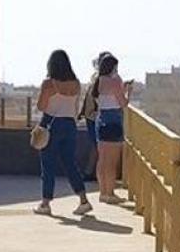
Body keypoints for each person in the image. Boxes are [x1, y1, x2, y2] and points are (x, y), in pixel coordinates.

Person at [35, 49, 93, 216]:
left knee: (48, 164)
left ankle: (45, 203)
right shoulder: (75, 83)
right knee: (70, 163)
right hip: (69, 124)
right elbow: (75, 108)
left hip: (51, 123)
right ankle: (83, 199)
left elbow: (41, 106)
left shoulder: (49, 83)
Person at [93, 52, 132, 204]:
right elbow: (123, 103)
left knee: (102, 159)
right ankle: (110, 193)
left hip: (101, 118)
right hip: (114, 119)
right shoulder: (115, 81)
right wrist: (128, 91)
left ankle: (102, 192)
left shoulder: (99, 81)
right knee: (112, 161)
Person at [78, 52, 111, 180]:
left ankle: (90, 172)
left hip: (95, 116)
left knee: (96, 146)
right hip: (91, 116)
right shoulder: (96, 77)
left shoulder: (102, 79)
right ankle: (90, 172)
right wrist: (82, 112)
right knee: (96, 145)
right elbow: (89, 97)